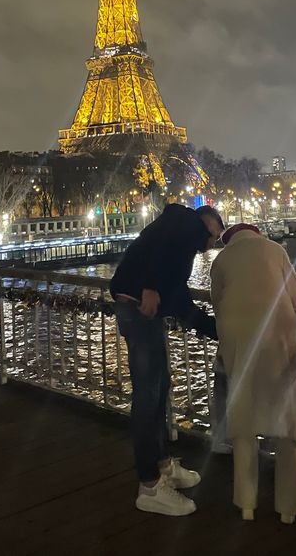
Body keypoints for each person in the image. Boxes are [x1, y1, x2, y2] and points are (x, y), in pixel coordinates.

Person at [110, 202, 224, 516]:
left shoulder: (177, 245)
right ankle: (149, 486)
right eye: (213, 236)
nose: (211, 244)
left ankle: (161, 466)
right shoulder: (185, 224)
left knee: (158, 391)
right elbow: (157, 248)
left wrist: (216, 330)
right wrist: (148, 286)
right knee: (148, 397)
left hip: (141, 311)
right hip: (137, 308)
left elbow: (179, 298)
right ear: (206, 224)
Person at [210, 223, 296, 524]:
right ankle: (289, 507)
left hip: (240, 346)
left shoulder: (221, 260)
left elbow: (217, 302)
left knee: (243, 422)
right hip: (278, 344)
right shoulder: (276, 250)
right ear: (256, 234)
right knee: (286, 421)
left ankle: (246, 503)